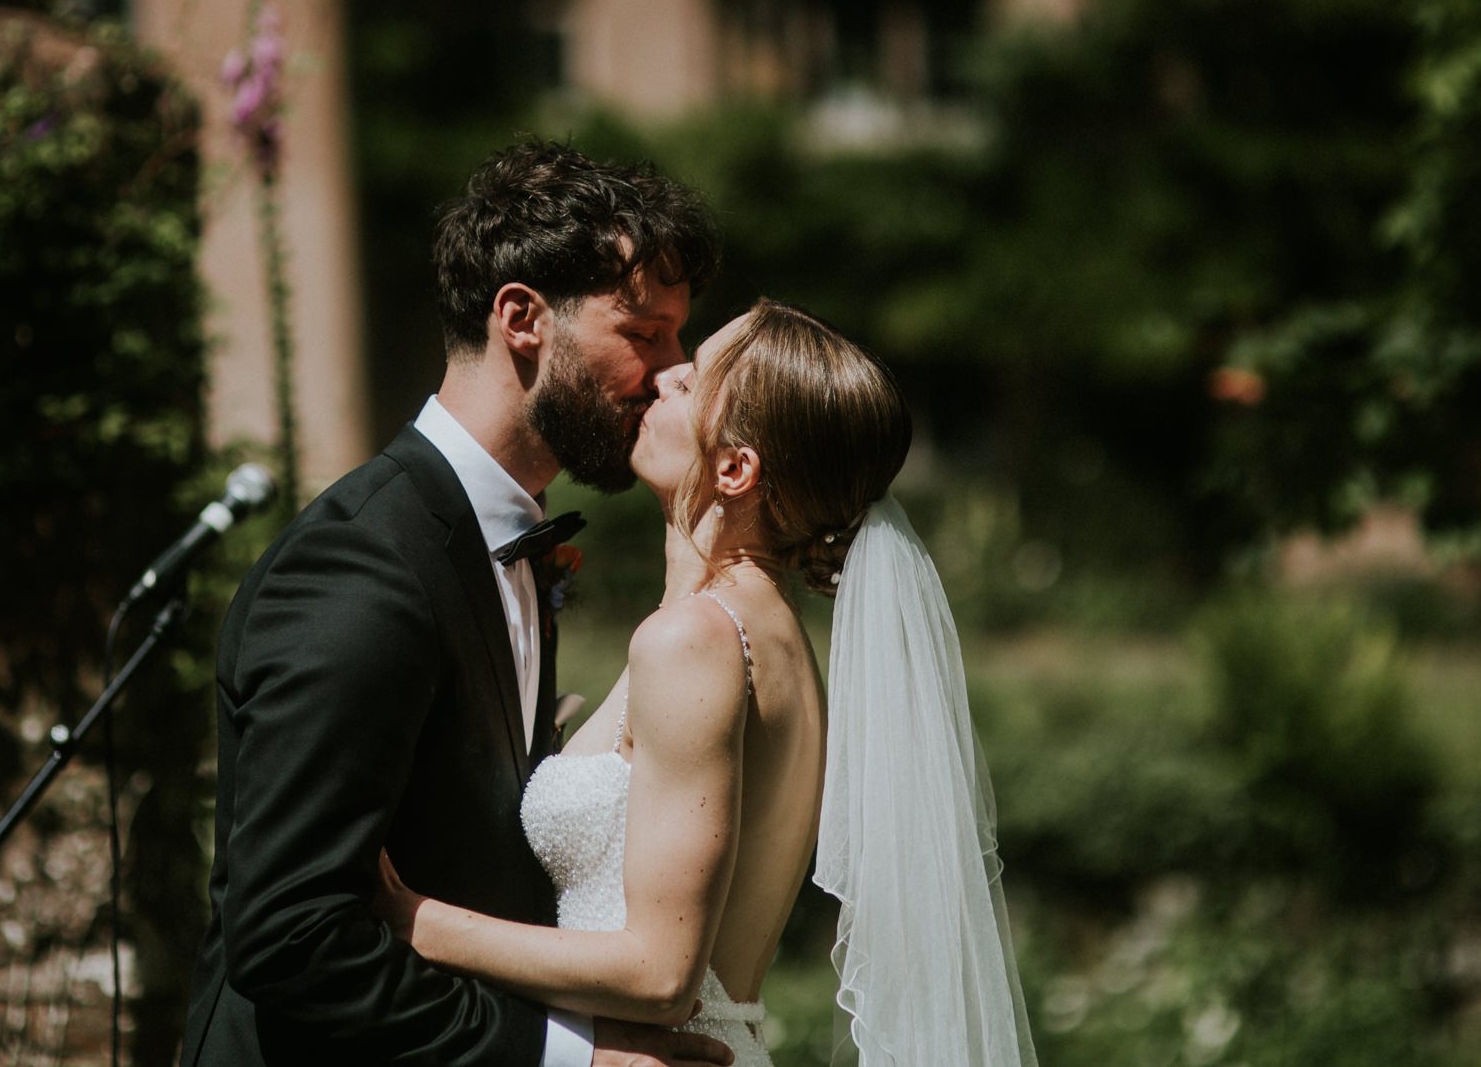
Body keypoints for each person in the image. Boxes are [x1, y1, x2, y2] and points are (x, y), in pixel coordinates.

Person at [180, 140, 736, 1067]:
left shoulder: (508, 540)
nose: (674, 371)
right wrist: (567, 1059)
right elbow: (290, 933)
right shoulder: (360, 566)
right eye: (643, 332)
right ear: (522, 318)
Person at [373, 300, 1039, 1067]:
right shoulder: (771, 637)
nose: (666, 373)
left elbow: (660, 974)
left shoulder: (696, 640)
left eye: (693, 382)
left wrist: (415, 919)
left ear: (734, 468)